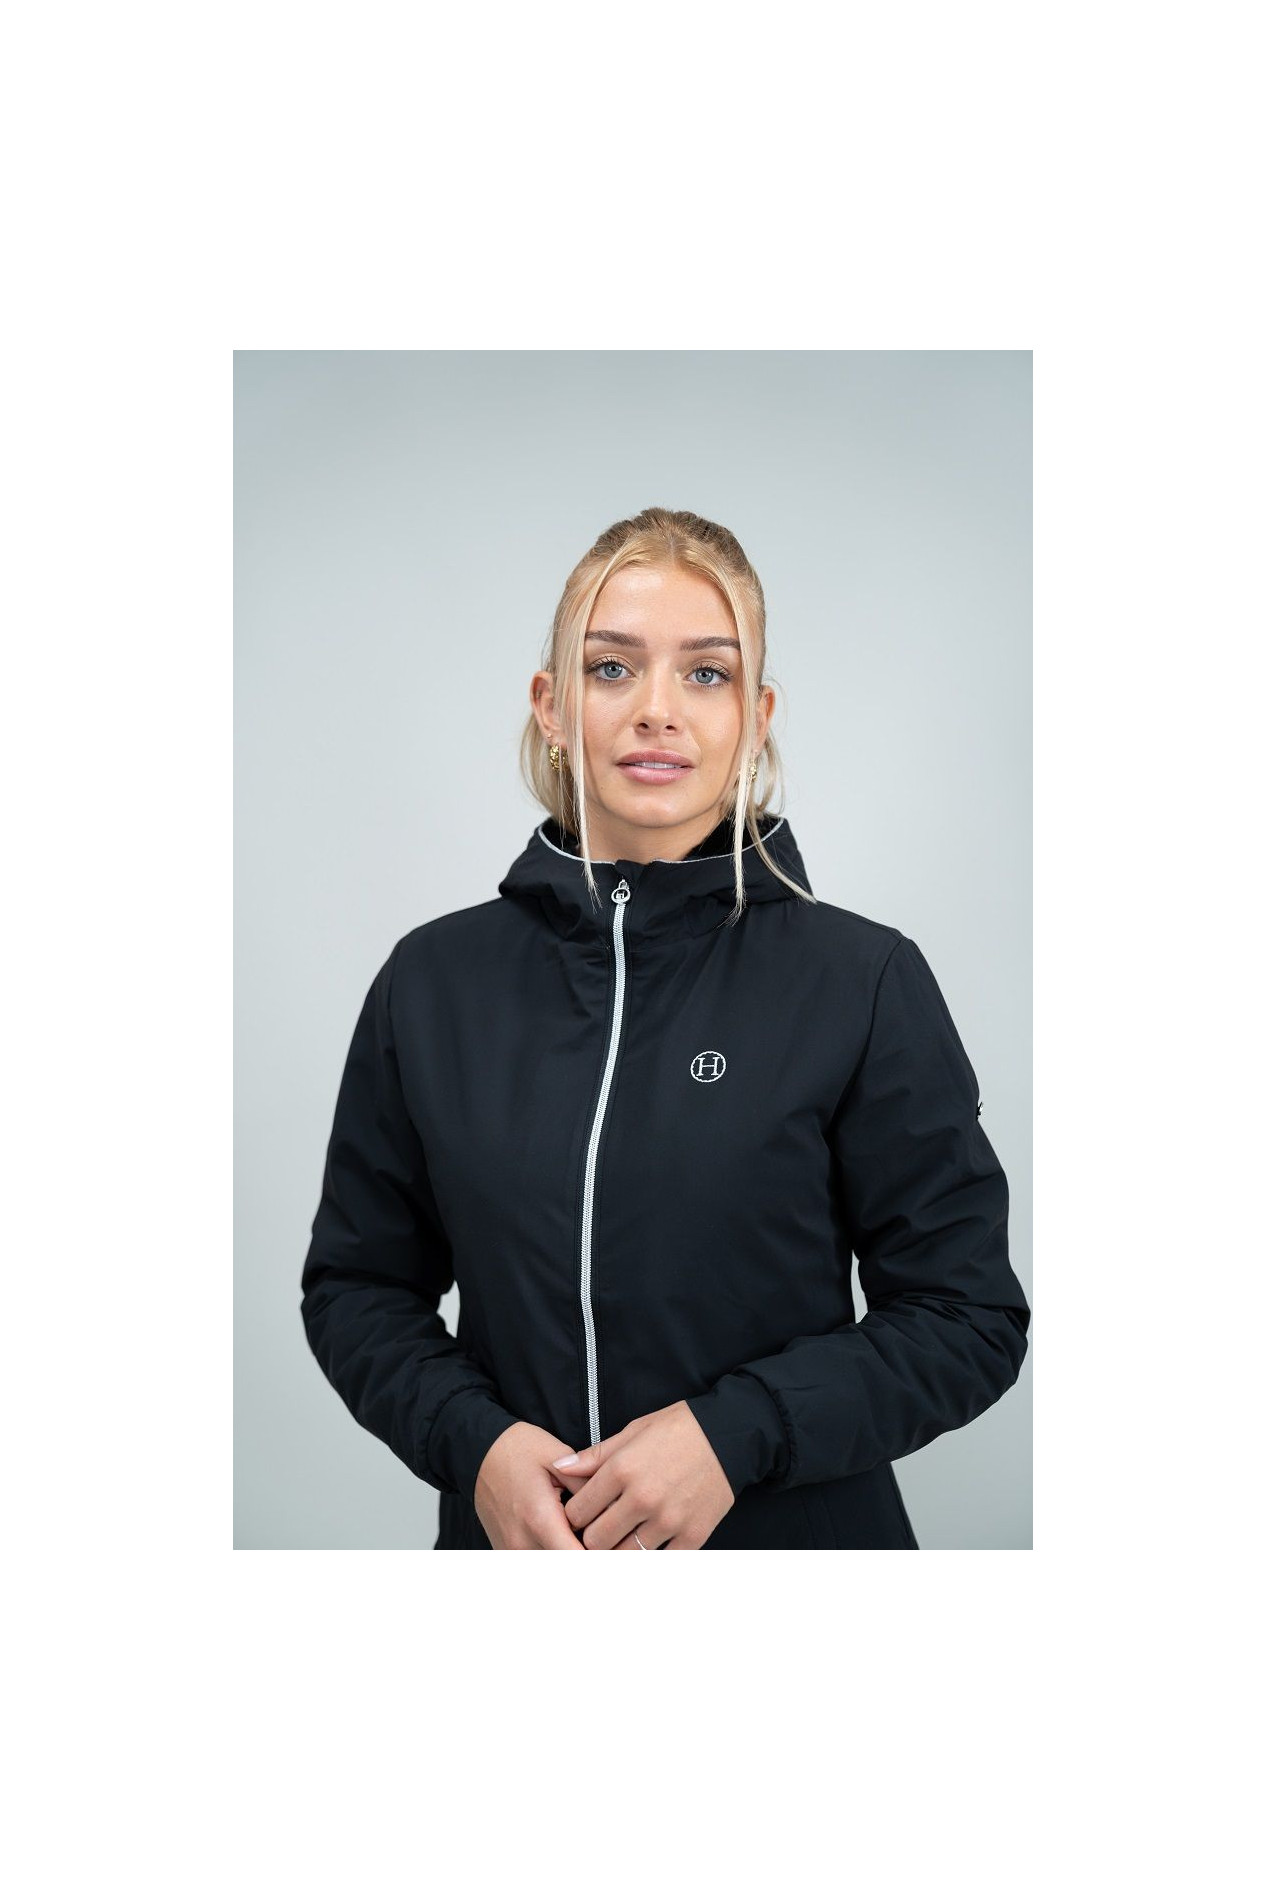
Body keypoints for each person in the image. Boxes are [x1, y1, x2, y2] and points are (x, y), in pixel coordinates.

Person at [300, 506, 1031, 1549]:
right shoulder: (431, 983)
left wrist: (737, 1435)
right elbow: (358, 1286)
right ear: (552, 706)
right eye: (611, 668)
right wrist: (477, 1446)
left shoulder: (862, 981)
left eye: (706, 673)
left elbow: (968, 1318)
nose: (657, 710)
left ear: (756, 715)